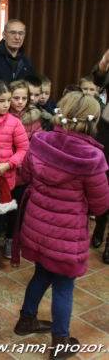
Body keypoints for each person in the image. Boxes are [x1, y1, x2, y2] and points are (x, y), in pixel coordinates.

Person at [11, 91, 109, 359]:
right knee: (64, 286)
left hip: (37, 226)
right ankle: (61, 343)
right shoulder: (92, 158)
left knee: (41, 273)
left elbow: (26, 176)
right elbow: (101, 206)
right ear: (92, 121)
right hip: (67, 235)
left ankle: (26, 320)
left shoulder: (40, 141)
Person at [0, 80, 28, 271]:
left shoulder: (14, 123)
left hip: (4, 179)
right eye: (2, 100)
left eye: (8, 100)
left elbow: (24, 148)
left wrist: (9, 164)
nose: (7, 104)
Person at [4, 80, 43, 259]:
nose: (20, 102)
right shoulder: (1, 115)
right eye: (16, 98)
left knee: (17, 208)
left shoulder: (33, 119)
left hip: (22, 171)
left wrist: (25, 162)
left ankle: (11, 239)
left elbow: (38, 146)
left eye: (24, 98)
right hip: (4, 169)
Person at [91, 48, 109, 264]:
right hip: (107, 130)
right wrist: (105, 61)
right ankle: (100, 226)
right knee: (105, 182)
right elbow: (99, 77)